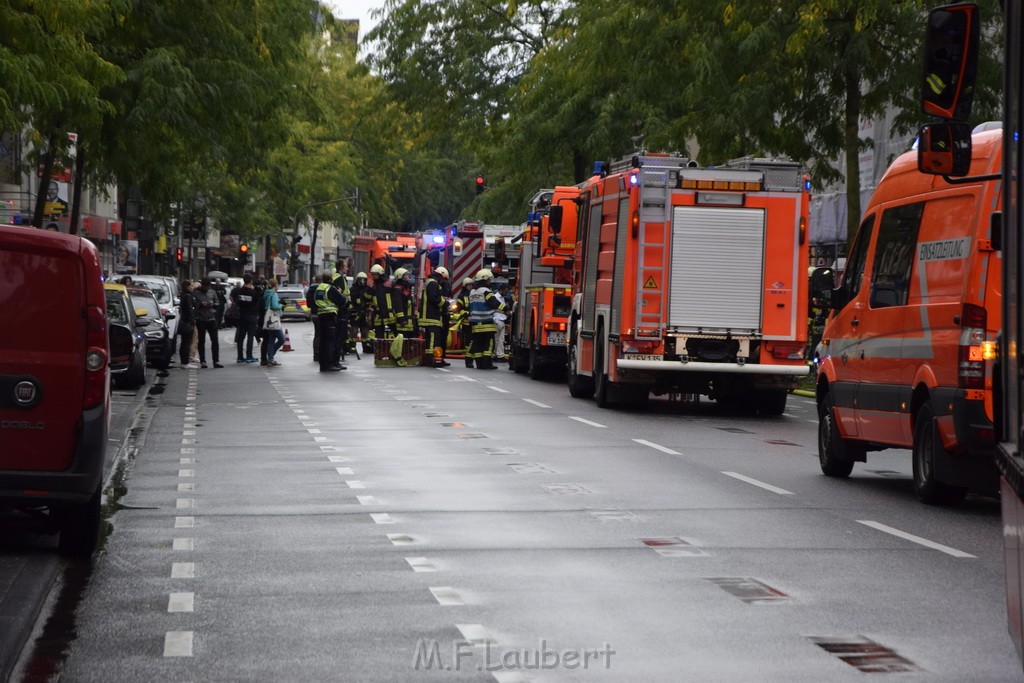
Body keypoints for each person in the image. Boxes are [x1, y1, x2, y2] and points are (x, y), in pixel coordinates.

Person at [467, 269, 505, 369]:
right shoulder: (486, 291)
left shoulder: (472, 292)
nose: (490, 282)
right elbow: (494, 303)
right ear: (485, 279)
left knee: (478, 344)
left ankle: (479, 364)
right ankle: (487, 363)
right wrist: (506, 308)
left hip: (475, 324)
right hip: (486, 323)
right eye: (489, 280)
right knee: (489, 344)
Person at [312, 271, 347, 372]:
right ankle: (329, 364)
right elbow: (342, 301)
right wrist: (339, 293)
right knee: (330, 342)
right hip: (330, 316)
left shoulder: (319, 288)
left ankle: (323, 365)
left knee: (323, 342)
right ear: (331, 279)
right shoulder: (330, 289)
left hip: (321, 316)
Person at [420, 267, 450, 367]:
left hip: (431, 317)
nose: (443, 282)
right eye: (443, 279)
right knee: (433, 340)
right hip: (431, 317)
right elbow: (435, 299)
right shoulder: (433, 283)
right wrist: (445, 303)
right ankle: (431, 360)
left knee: (432, 339)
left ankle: (435, 359)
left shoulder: (430, 282)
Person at [193, 277, 223, 368]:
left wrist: (212, 304)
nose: (206, 288)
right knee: (201, 341)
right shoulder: (197, 293)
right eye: (204, 286)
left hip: (211, 318)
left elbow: (217, 303)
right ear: (202, 285)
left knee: (215, 340)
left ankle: (216, 361)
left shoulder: (212, 292)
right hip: (201, 319)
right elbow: (194, 305)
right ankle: (203, 361)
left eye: (207, 286)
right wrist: (200, 304)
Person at [231, 273, 260, 363]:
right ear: (251, 281)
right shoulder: (253, 292)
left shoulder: (239, 291)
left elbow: (236, 301)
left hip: (241, 315)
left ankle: (240, 357)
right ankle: (249, 356)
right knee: (250, 337)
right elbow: (257, 302)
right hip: (251, 315)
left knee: (241, 337)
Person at [261, 278, 286, 366]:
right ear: (275, 285)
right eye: (277, 284)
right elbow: (274, 306)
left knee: (271, 340)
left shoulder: (267, 293)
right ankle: (271, 355)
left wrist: (278, 302)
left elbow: (268, 304)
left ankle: (270, 359)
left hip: (268, 319)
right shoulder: (274, 294)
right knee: (282, 339)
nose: (278, 286)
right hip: (274, 320)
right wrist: (281, 305)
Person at [330, 263, 351, 366]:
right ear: (341, 268)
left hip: (339, 310)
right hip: (342, 310)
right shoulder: (340, 278)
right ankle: (336, 361)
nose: (347, 268)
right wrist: (346, 304)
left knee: (336, 338)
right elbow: (341, 294)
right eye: (346, 266)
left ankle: (334, 360)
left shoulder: (335, 277)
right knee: (339, 338)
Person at [370, 263, 395, 341]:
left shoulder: (389, 283)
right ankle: (380, 350)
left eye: (375, 274)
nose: (373, 276)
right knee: (379, 336)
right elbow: (367, 298)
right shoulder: (373, 285)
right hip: (378, 314)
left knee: (393, 333)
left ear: (380, 274)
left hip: (389, 314)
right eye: (372, 274)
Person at [349, 271, 373, 353]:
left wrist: (369, 309)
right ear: (357, 280)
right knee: (354, 331)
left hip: (365, 314)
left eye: (364, 279)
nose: (362, 281)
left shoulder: (367, 289)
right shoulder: (352, 290)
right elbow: (350, 301)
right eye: (361, 279)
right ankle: (352, 347)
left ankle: (366, 346)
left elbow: (370, 300)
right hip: (355, 313)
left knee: (365, 331)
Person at [177, 280, 199, 370]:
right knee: (186, 342)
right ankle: (185, 362)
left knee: (185, 342)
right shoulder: (188, 296)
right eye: (191, 286)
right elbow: (190, 309)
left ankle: (184, 362)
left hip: (185, 321)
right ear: (188, 287)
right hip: (187, 322)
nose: (193, 287)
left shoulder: (184, 295)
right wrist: (193, 320)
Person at [392, 267, 415, 338]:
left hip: (409, 323)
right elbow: (398, 306)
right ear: (400, 276)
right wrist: (402, 320)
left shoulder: (406, 288)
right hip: (402, 324)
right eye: (406, 275)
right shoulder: (398, 290)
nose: (408, 276)